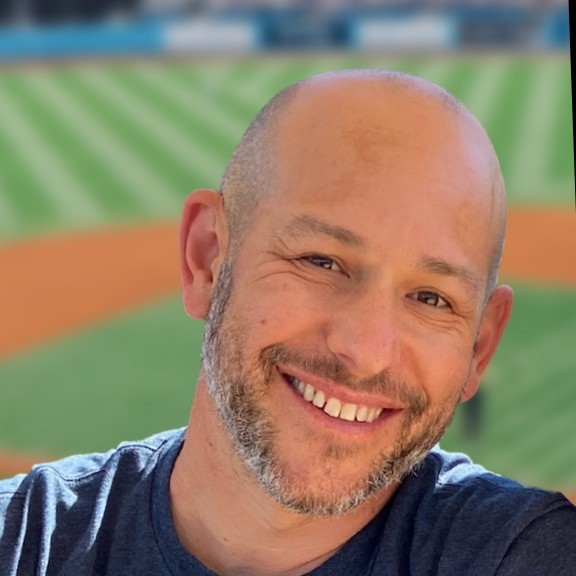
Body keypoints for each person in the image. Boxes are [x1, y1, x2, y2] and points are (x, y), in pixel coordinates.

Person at [1, 69, 575, 575]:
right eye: (321, 262)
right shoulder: (23, 541)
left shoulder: (525, 554)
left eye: (431, 298)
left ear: (480, 346)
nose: (366, 350)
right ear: (206, 258)